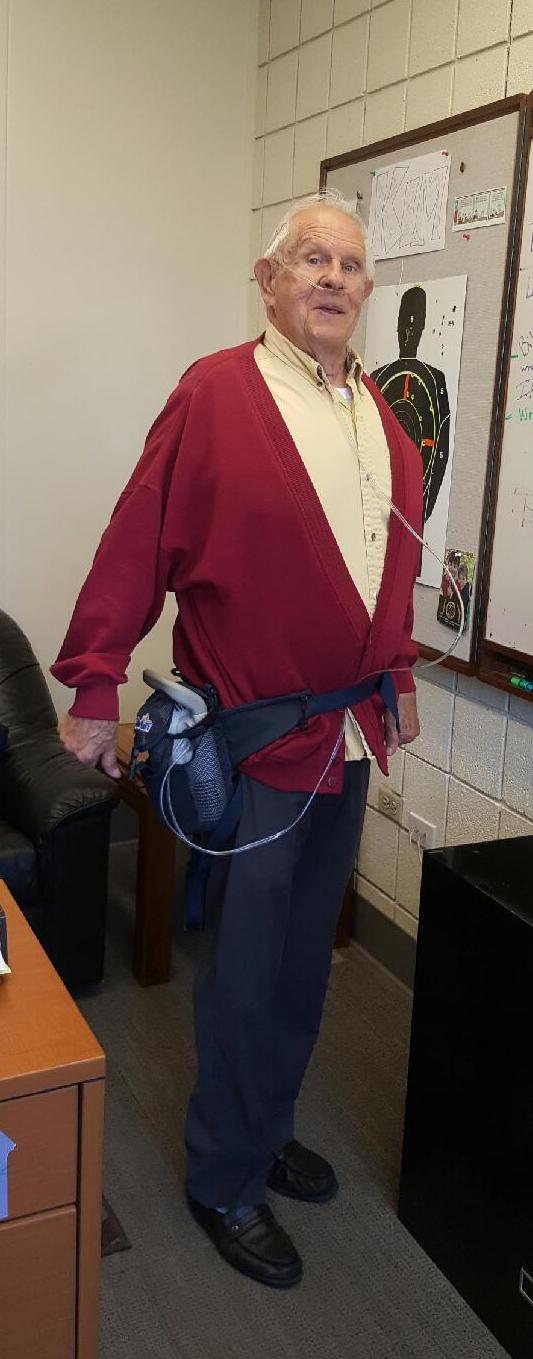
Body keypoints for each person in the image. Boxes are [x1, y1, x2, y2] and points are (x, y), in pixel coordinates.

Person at [52, 189, 422, 1290]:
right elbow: (137, 539)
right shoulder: (216, 393)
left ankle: (266, 1128)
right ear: (266, 279)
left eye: (349, 265)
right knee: (248, 967)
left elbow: (388, 566)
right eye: (311, 258)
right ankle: (222, 1176)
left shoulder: (378, 413)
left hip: (345, 734)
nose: (332, 278)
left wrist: (397, 679)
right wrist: (94, 682)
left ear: (366, 290)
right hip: (255, 741)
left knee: (307, 961)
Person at [370, 285, 450, 529]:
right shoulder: (377, 377)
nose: (408, 332)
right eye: (404, 323)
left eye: (414, 325)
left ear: (423, 327)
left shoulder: (434, 378)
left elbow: (439, 450)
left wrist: (422, 509)